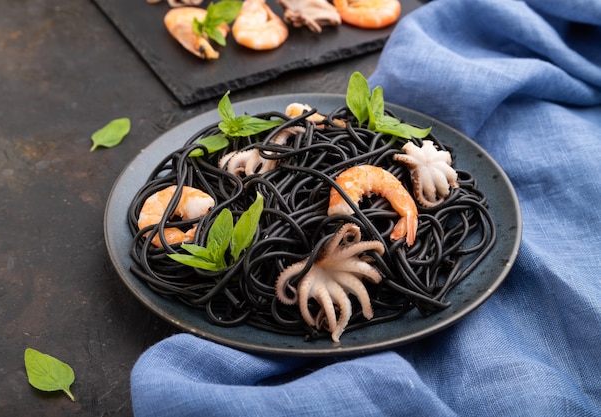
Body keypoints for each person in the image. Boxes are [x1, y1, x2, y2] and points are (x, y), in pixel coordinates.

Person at [130, 0, 601, 415]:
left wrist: (388, 210)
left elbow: (373, 184)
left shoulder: (378, 179)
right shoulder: (239, 175)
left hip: (381, 199)